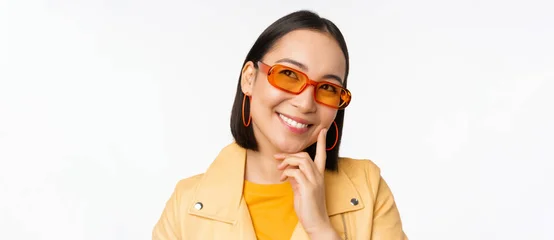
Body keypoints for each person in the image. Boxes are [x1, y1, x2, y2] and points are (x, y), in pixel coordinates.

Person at [152, 10, 408, 240]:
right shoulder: (185, 206)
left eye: (328, 88)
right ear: (249, 79)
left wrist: (320, 228)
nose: (306, 103)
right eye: (288, 74)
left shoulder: (367, 188)